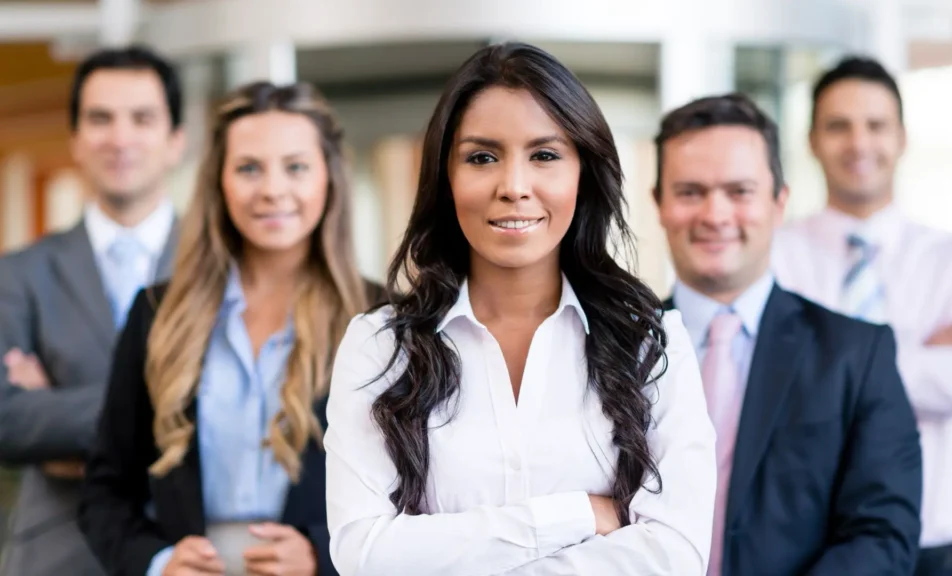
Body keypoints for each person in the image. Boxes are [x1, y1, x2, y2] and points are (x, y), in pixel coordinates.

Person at [323, 42, 717, 576]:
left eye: (545, 155)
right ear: (446, 177)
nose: (513, 187)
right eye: (482, 157)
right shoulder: (379, 346)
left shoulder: (652, 341)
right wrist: (574, 514)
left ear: (583, 172)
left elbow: (675, 555)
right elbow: (364, 554)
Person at [77, 81, 381, 576]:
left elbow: (420, 494)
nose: (272, 190)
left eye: (296, 167)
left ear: (330, 179)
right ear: (219, 182)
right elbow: (105, 490)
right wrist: (156, 563)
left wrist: (321, 554)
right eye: (248, 168)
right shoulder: (157, 313)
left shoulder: (384, 318)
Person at [655, 93, 922, 575]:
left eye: (740, 191)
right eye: (690, 191)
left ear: (779, 203)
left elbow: (882, 533)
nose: (715, 215)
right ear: (659, 204)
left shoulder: (856, 355)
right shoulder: (606, 346)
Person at [772, 56, 952, 576]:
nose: (859, 143)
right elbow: (768, 381)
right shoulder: (773, 257)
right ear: (812, 140)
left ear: (902, 138)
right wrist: (921, 350)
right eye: (839, 126)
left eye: (876, 125)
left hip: (933, 547)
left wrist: (831, 362)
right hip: (805, 543)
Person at [0, 45, 185, 576]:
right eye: (100, 119)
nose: (120, 138)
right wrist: (165, 413)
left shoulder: (222, 267)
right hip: (59, 553)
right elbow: (7, 419)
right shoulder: (18, 274)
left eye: (142, 118)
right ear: (76, 141)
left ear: (176, 141)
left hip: (193, 553)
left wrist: (58, 416)